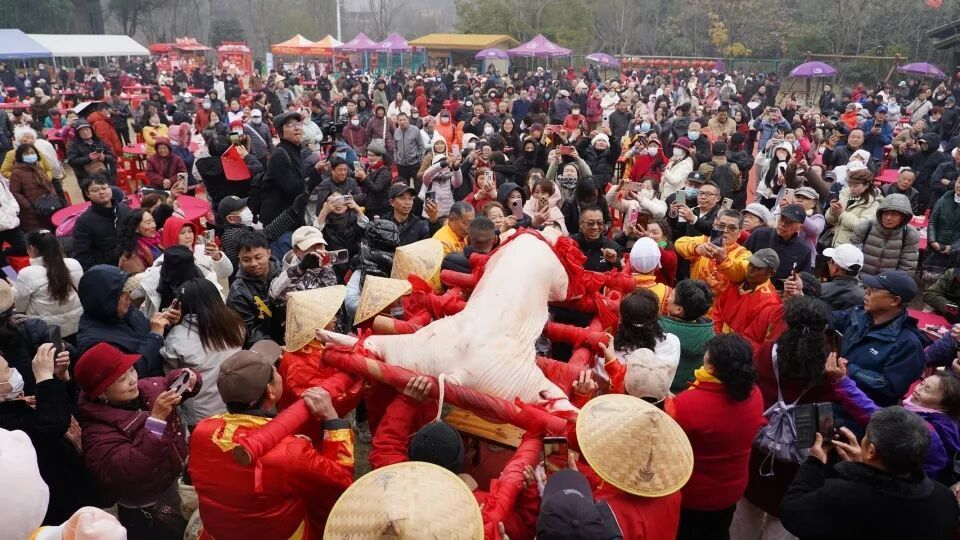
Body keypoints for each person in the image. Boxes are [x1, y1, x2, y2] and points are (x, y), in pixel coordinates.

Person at [189, 350, 354, 539]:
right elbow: (341, 481)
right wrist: (332, 420)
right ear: (270, 391)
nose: (279, 371)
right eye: (275, 371)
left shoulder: (202, 430)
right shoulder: (292, 452)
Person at [732, 297, 837, 540]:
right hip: (803, 446)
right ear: (823, 329)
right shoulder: (828, 366)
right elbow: (829, 410)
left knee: (747, 506)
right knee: (785, 514)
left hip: (762, 438)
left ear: (787, 323)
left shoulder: (769, 352)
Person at [75, 342, 198, 538]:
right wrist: (156, 421)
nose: (133, 380)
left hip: (175, 485)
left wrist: (187, 377)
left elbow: (168, 381)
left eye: (131, 370)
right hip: (147, 508)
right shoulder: (96, 433)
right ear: (102, 393)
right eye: (122, 379)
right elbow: (129, 471)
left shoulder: (145, 389)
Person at [779, 407, 959, 539]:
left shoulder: (840, 495)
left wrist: (814, 462)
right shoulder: (944, 498)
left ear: (871, 451)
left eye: (866, 436)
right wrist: (864, 466)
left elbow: (792, 511)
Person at [668, 334, 764, 540]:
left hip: (695, 494)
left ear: (711, 368)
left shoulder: (688, 403)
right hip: (732, 488)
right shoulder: (754, 393)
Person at [0, 344, 102, 526]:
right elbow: (51, 425)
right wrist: (44, 378)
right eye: (7, 370)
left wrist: (60, 378)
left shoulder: (18, 401)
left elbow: (63, 411)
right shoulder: (7, 425)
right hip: (56, 506)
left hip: (73, 486)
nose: (14, 372)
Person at [825, 354, 960, 480]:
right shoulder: (938, 419)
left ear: (944, 406)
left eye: (927, 390)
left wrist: (843, 382)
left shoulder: (927, 428)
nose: (918, 389)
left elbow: (872, 414)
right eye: (922, 383)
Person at [162, 278, 245, 428]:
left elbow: (171, 378)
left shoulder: (177, 336)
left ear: (181, 304)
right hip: (234, 405)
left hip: (199, 415)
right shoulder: (236, 325)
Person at [833, 270, 925, 407]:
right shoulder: (858, 313)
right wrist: (802, 298)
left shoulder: (909, 344)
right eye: (867, 287)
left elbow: (891, 385)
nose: (866, 292)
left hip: (862, 410)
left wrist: (849, 370)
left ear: (895, 300)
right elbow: (828, 319)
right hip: (834, 394)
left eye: (874, 289)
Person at [596, 289, 681, 401]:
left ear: (621, 318)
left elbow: (602, 388)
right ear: (657, 315)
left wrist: (612, 362)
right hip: (658, 406)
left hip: (617, 406)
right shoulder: (672, 343)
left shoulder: (607, 352)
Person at [12, 230, 83, 337]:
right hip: (77, 324)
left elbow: (20, 308)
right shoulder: (74, 264)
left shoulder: (27, 274)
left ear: (32, 248)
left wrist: (14, 289)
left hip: (47, 332)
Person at [713, 248, 783, 350]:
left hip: (737, 352)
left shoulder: (770, 302)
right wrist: (716, 336)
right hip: (717, 342)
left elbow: (755, 339)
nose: (750, 270)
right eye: (750, 264)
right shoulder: (736, 282)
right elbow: (718, 310)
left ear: (771, 273)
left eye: (757, 268)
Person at [674, 208, 750, 302]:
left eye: (732, 228)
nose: (725, 230)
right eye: (721, 226)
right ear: (716, 226)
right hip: (694, 302)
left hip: (720, 306)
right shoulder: (705, 241)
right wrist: (697, 249)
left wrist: (723, 259)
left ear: (739, 233)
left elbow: (740, 274)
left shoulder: (742, 253)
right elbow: (679, 243)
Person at [226, 230, 282, 347]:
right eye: (246, 260)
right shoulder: (238, 292)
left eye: (258, 257)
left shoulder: (285, 275)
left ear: (269, 253)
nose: (253, 263)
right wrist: (273, 349)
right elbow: (249, 330)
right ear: (239, 258)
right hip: (264, 348)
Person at [660, 279, 716, 393]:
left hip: (662, 389)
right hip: (690, 391)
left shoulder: (659, 329)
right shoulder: (709, 333)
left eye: (671, 296)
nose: (668, 298)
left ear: (678, 309)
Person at [849, 193, 920, 276]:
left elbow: (907, 267)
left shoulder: (910, 234)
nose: (888, 218)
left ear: (903, 217)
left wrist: (891, 283)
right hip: (859, 278)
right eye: (885, 213)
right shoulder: (864, 227)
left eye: (894, 215)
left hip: (888, 281)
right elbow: (850, 258)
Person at [269, 225, 338, 305]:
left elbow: (332, 296)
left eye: (319, 245)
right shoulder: (286, 273)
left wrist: (323, 268)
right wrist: (301, 268)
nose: (317, 250)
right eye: (310, 247)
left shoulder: (326, 265)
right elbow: (275, 296)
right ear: (296, 251)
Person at [71, 176, 130, 270]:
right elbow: (81, 255)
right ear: (87, 194)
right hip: (108, 269)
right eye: (95, 190)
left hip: (133, 261)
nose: (101, 192)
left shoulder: (125, 210)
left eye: (104, 188)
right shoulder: (84, 222)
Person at [744, 204, 812, 283]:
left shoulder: (804, 250)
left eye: (789, 222)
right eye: (782, 218)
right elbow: (742, 257)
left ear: (800, 228)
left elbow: (804, 280)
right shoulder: (759, 234)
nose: (783, 224)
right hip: (749, 284)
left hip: (779, 290)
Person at [259, 111, 305, 225]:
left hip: (294, 215)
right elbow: (292, 188)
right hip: (279, 221)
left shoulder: (296, 150)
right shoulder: (279, 154)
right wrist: (314, 171)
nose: (297, 128)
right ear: (280, 133)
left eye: (298, 124)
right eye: (290, 125)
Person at [8, 143, 58, 233]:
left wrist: (53, 195)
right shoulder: (16, 173)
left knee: (51, 231)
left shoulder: (38, 168)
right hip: (32, 213)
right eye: (26, 153)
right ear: (20, 156)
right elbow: (15, 192)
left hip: (47, 206)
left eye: (32, 152)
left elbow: (49, 183)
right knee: (41, 235)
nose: (30, 155)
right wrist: (28, 206)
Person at [825, 169, 881, 247]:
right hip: (835, 242)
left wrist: (842, 213)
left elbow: (862, 227)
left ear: (866, 185)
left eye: (855, 186)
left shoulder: (873, 204)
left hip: (852, 247)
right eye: (850, 185)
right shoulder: (845, 195)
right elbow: (830, 221)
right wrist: (833, 211)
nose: (851, 188)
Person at [572, 205, 622, 272]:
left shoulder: (613, 248)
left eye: (599, 223)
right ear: (580, 224)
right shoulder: (569, 244)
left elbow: (625, 272)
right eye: (590, 223)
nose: (595, 227)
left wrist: (615, 262)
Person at [820, 243, 866, 311]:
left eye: (831, 261)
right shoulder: (864, 298)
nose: (828, 263)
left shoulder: (820, 290)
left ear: (836, 268)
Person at [354, 139, 392, 219]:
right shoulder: (368, 168)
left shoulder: (384, 171)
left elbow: (376, 189)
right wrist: (358, 178)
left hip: (379, 208)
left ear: (380, 157)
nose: (370, 158)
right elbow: (364, 185)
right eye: (369, 155)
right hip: (368, 204)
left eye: (373, 155)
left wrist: (364, 177)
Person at [116, 209, 162, 274]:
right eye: (148, 223)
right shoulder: (131, 254)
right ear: (136, 228)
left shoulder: (155, 239)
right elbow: (139, 278)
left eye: (153, 221)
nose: (154, 225)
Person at [394, 112, 425, 184]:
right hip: (401, 165)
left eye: (404, 119)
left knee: (418, 185)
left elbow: (421, 146)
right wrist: (396, 159)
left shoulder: (415, 130)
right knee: (404, 186)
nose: (402, 122)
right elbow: (395, 147)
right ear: (397, 121)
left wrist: (419, 158)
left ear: (408, 120)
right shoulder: (396, 131)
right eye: (400, 120)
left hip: (414, 164)